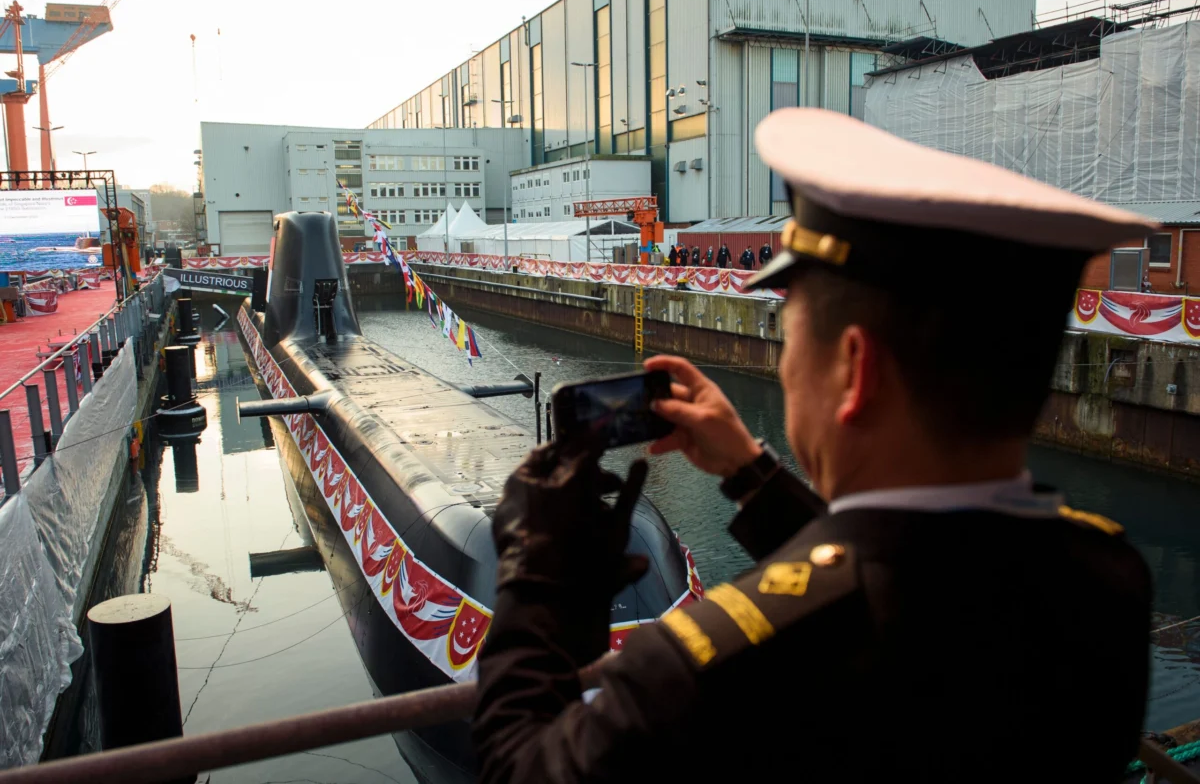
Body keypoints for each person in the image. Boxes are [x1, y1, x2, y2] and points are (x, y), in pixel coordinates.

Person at [473, 108, 1154, 783]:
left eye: (788, 339)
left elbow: (517, 767)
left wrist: (537, 574)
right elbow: (903, 584)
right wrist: (750, 473)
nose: (785, 365)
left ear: (854, 370)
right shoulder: (1105, 576)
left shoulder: (707, 667)